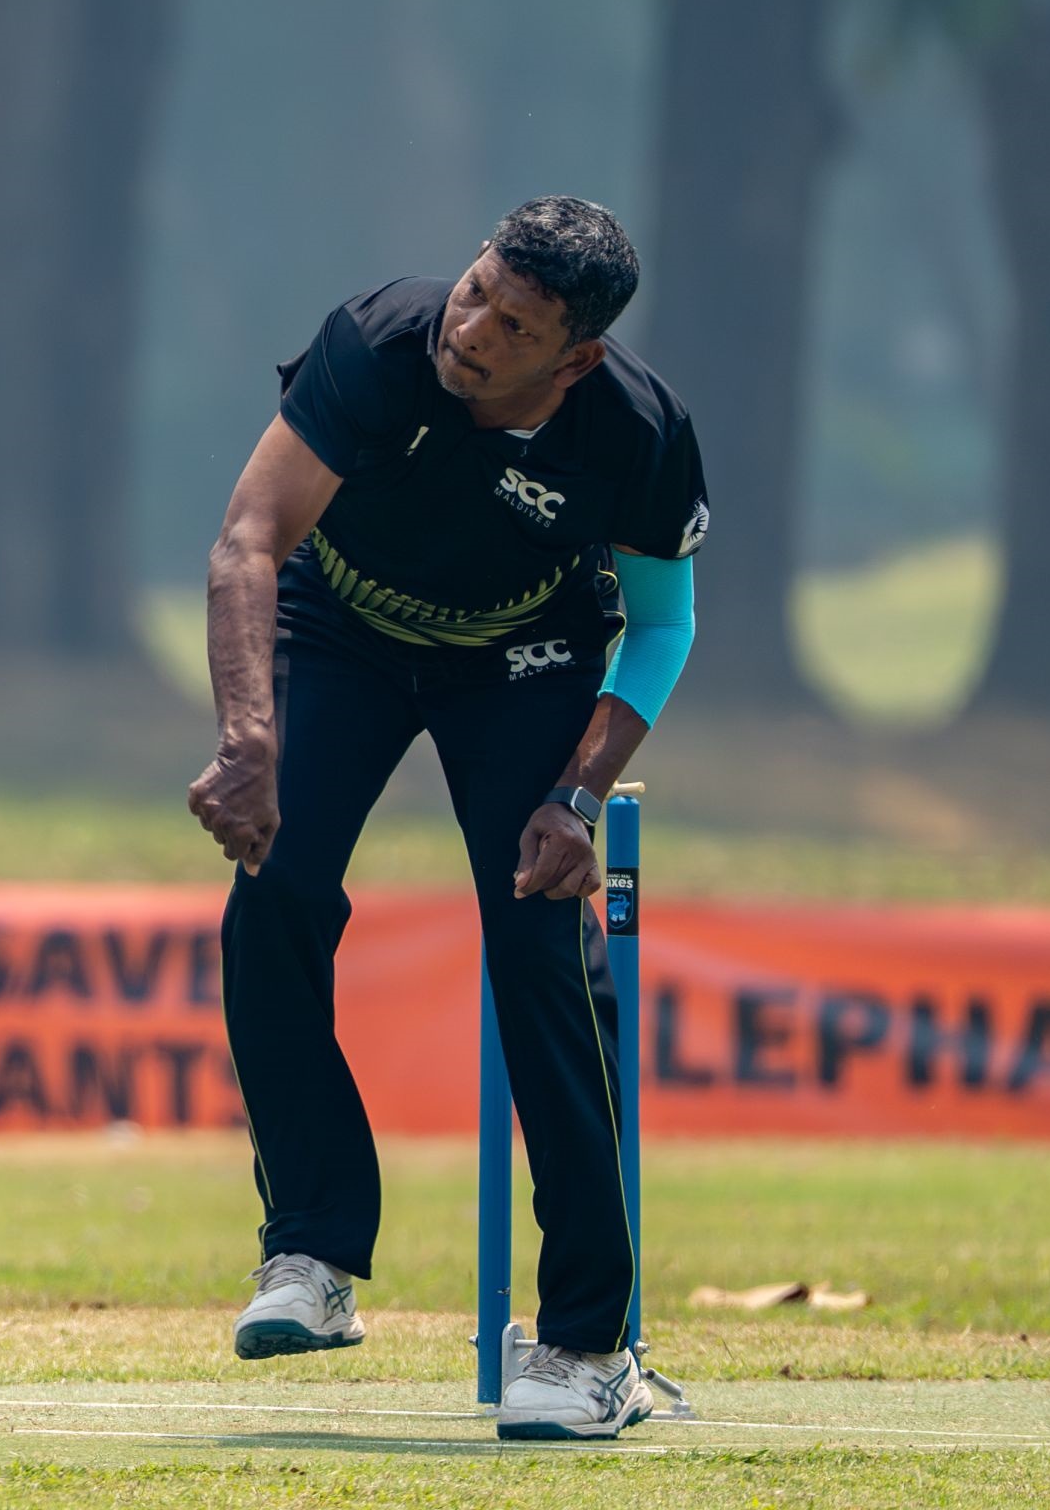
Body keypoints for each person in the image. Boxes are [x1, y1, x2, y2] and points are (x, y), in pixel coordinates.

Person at [187, 196, 705, 1443]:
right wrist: (249, 739)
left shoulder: (634, 428)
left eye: (515, 325)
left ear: (573, 357)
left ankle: (586, 1345)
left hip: (526, 661)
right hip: (343, 628)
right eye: (477, 291)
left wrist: (578, 794)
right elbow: (250, 538)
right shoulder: (377, 344)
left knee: (538, 949)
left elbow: (664, 625)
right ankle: (312, 1248)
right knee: (275, 889)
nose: (472, 330)